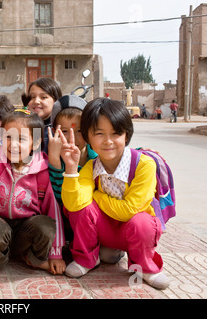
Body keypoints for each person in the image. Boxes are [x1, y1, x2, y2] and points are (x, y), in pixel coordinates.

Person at [59, 97, 170, 290]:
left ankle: (145, 267)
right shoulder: (90, 167)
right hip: (106, 232)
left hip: (134, 231)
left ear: (126, 135)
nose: (108, 141)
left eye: (115, 133)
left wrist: (97, 196)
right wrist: (70, 168)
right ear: (88, 137)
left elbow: (130, 210)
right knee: (81, 209)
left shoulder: (144, 165)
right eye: (99, 133)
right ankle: (87, 259)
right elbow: (74, 205)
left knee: (141, 221)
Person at [0, 94, 66, 277]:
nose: (13, 144)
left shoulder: (42, 171)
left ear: (36, 142)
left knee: (46, 225)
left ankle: (32, 259)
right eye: (8, 137)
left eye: (21, 139)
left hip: (27, 229)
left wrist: (55, 253)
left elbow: (52, 211)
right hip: (0, 225)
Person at [0, 47, 61, 153]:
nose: (36, 101)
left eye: (43, 97)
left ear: (56, 100)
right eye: (32, 97)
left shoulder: (57, 129)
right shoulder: (21, 120)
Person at [47, 97, 97, 246]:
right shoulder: (52, 159)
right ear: (54, 132)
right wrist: (55, 161)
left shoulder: (96, 159)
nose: (72, 138)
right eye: (64, 131)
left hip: (91, 219)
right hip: (63, 222)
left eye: (79, 130)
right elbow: (60, 200)